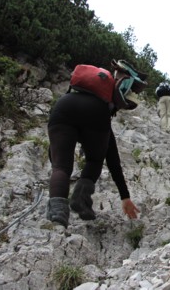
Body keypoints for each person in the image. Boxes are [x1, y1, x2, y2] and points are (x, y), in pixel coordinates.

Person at [46, 70, 141, 228]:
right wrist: (125, 196)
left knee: (61, 167)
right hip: (96, 113)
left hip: (63, 105)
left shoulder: (72, 96)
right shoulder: (102, 108)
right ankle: (81, 199)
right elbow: (112, 160)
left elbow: (53, 149)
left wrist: (56, 161)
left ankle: (57, 216)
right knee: (95, 161)